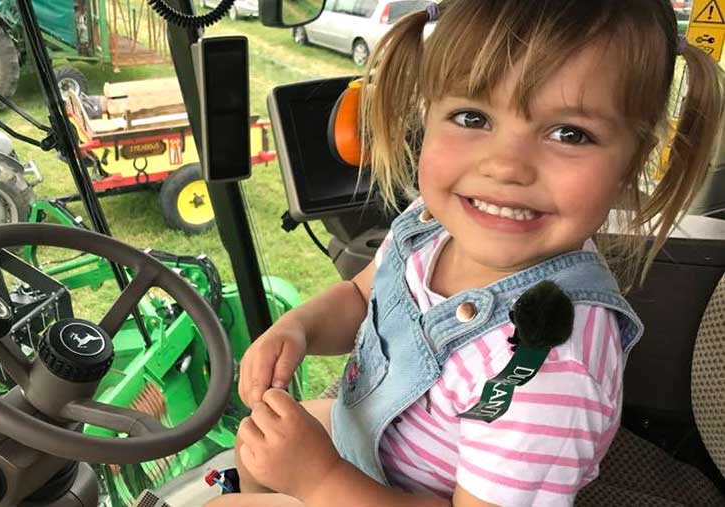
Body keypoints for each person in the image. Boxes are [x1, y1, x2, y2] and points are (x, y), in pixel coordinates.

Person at [206, 0, 724, 505]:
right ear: (424, 118)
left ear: (631, 169)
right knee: (253, 454)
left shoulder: (544, 371)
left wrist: (317, 480)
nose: (507, 165)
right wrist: (296, 329)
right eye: (473, 117)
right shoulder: (428, 228)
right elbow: (360, 295)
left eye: (570, 133)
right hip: (363, 454)